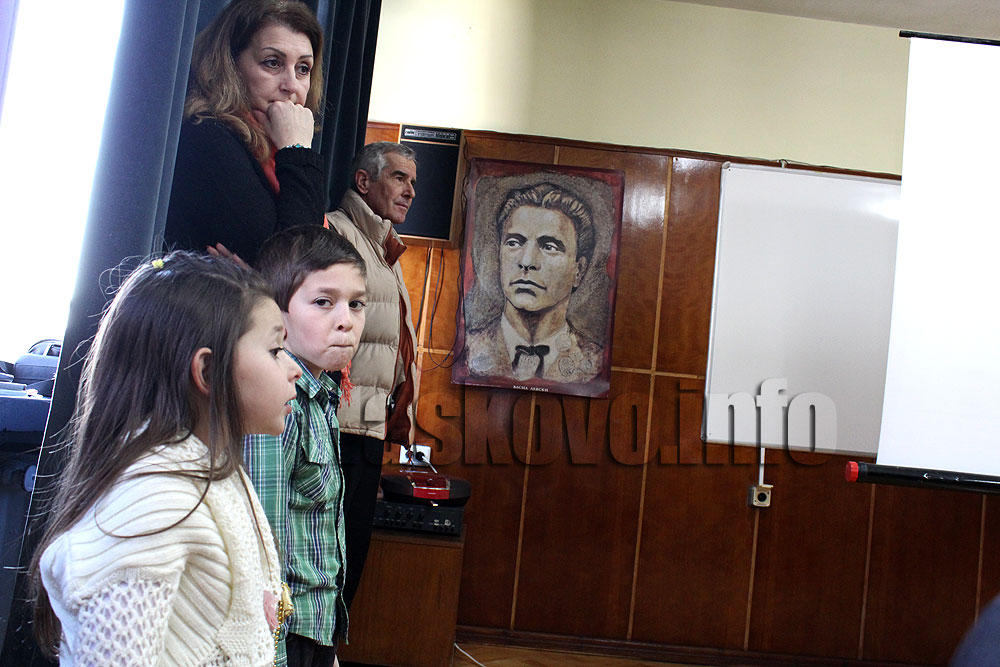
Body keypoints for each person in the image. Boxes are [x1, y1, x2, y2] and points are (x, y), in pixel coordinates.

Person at [31, 252, 302, 665]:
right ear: (207, 371)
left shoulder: (210, 468)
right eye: (276, 349)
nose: (293, 369)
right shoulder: (150, 501)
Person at [245, 225, 368, 667]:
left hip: (316, 630)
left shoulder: (323, 395)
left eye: (356, 304)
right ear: (277, 313)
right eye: (323, 302)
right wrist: (276, 655)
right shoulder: (279, 403)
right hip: (285, 636)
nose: (346, 320)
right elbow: (260, 546)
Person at [325, 141, 419, 608]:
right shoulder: (336, 234)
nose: (410, 191)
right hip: (336, 429)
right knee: (326, 566)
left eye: (413, 182)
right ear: (364, 182)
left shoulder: (383, 250)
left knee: (349, 566)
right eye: (399, 178)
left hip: (366, 428)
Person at [164, 0, 326, 265]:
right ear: (230, 65)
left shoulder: (272, 147)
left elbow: (307, 267)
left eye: (303, 69)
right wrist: (297, 151)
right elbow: (298, 266)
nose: (292, 86)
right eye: (272, 63)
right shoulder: (208, 137)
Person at [464, 182, 603, 383]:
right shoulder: (468, 348)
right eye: (514, 243)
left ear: (578, 270)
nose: (527, 261)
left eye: (549, 247)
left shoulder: (595, 362)